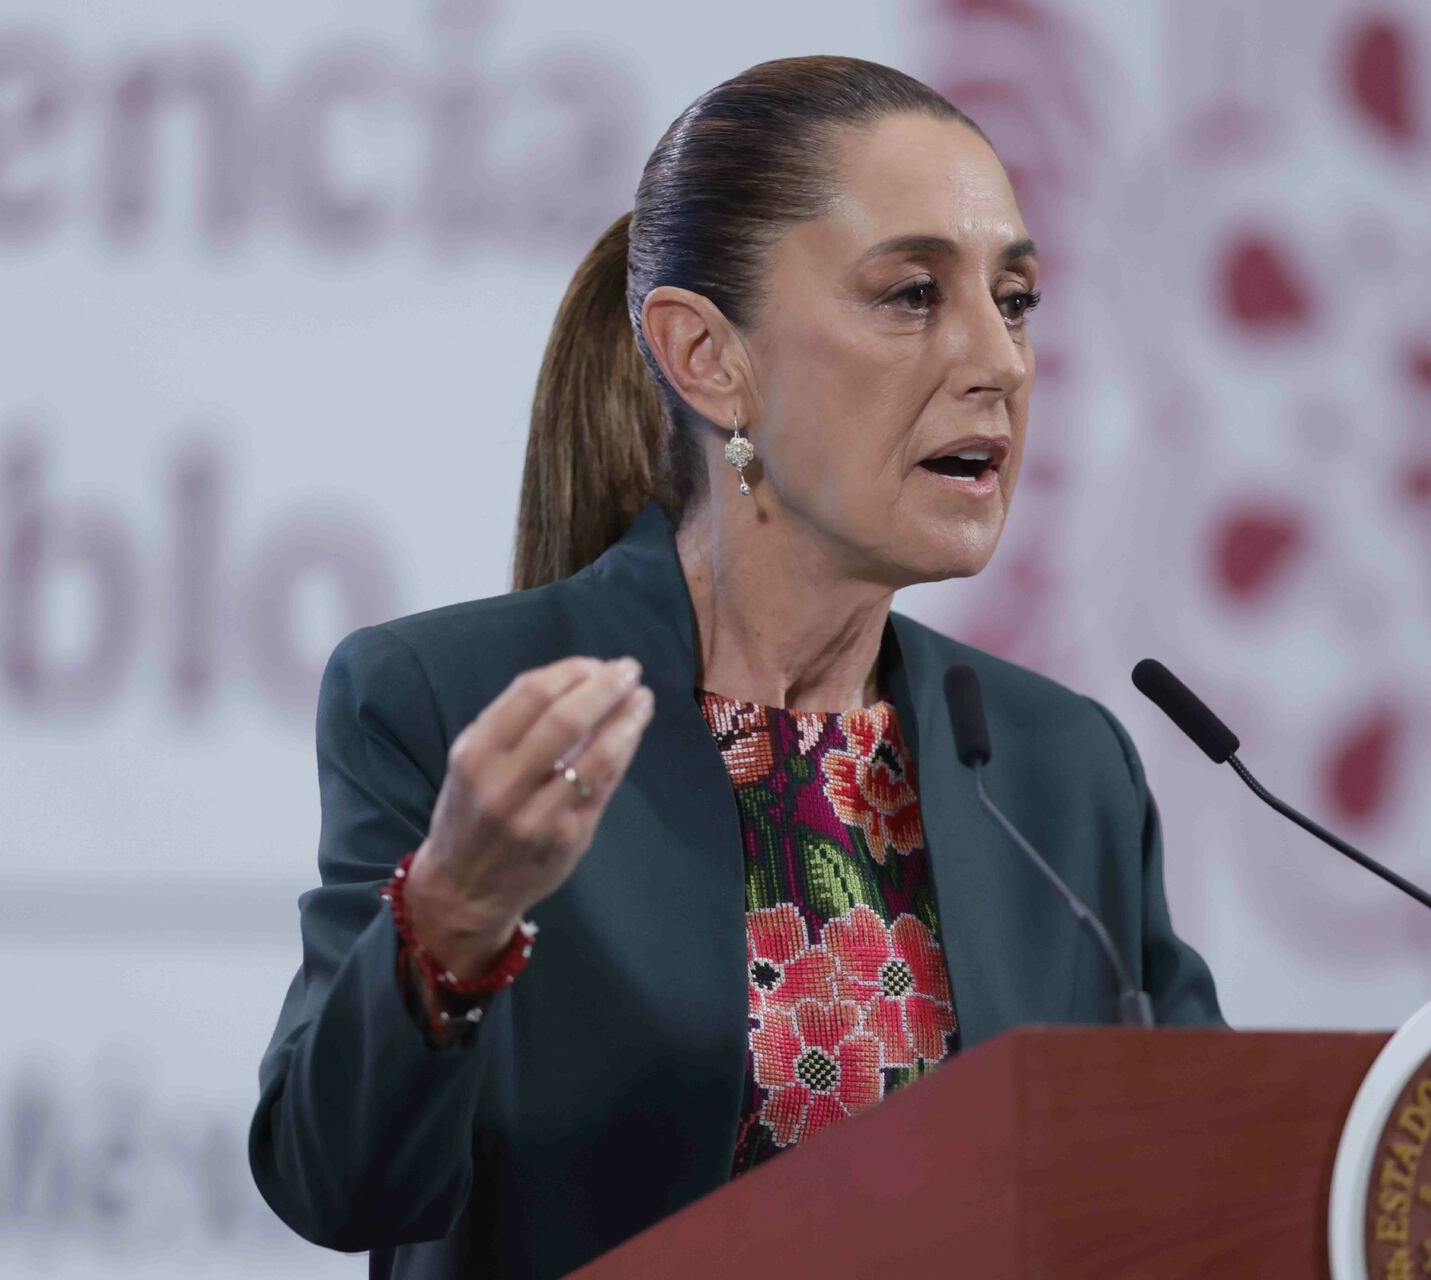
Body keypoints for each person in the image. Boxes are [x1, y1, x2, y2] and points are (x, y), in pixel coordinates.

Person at [248, 53, 1223, 1280]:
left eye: (1016, 299)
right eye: (914, 294)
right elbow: (337, 1182)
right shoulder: (457, 705)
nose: (1003, 361)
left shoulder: (1057, 768)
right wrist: (446, 917)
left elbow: (1213, 1185)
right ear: (708, 356)